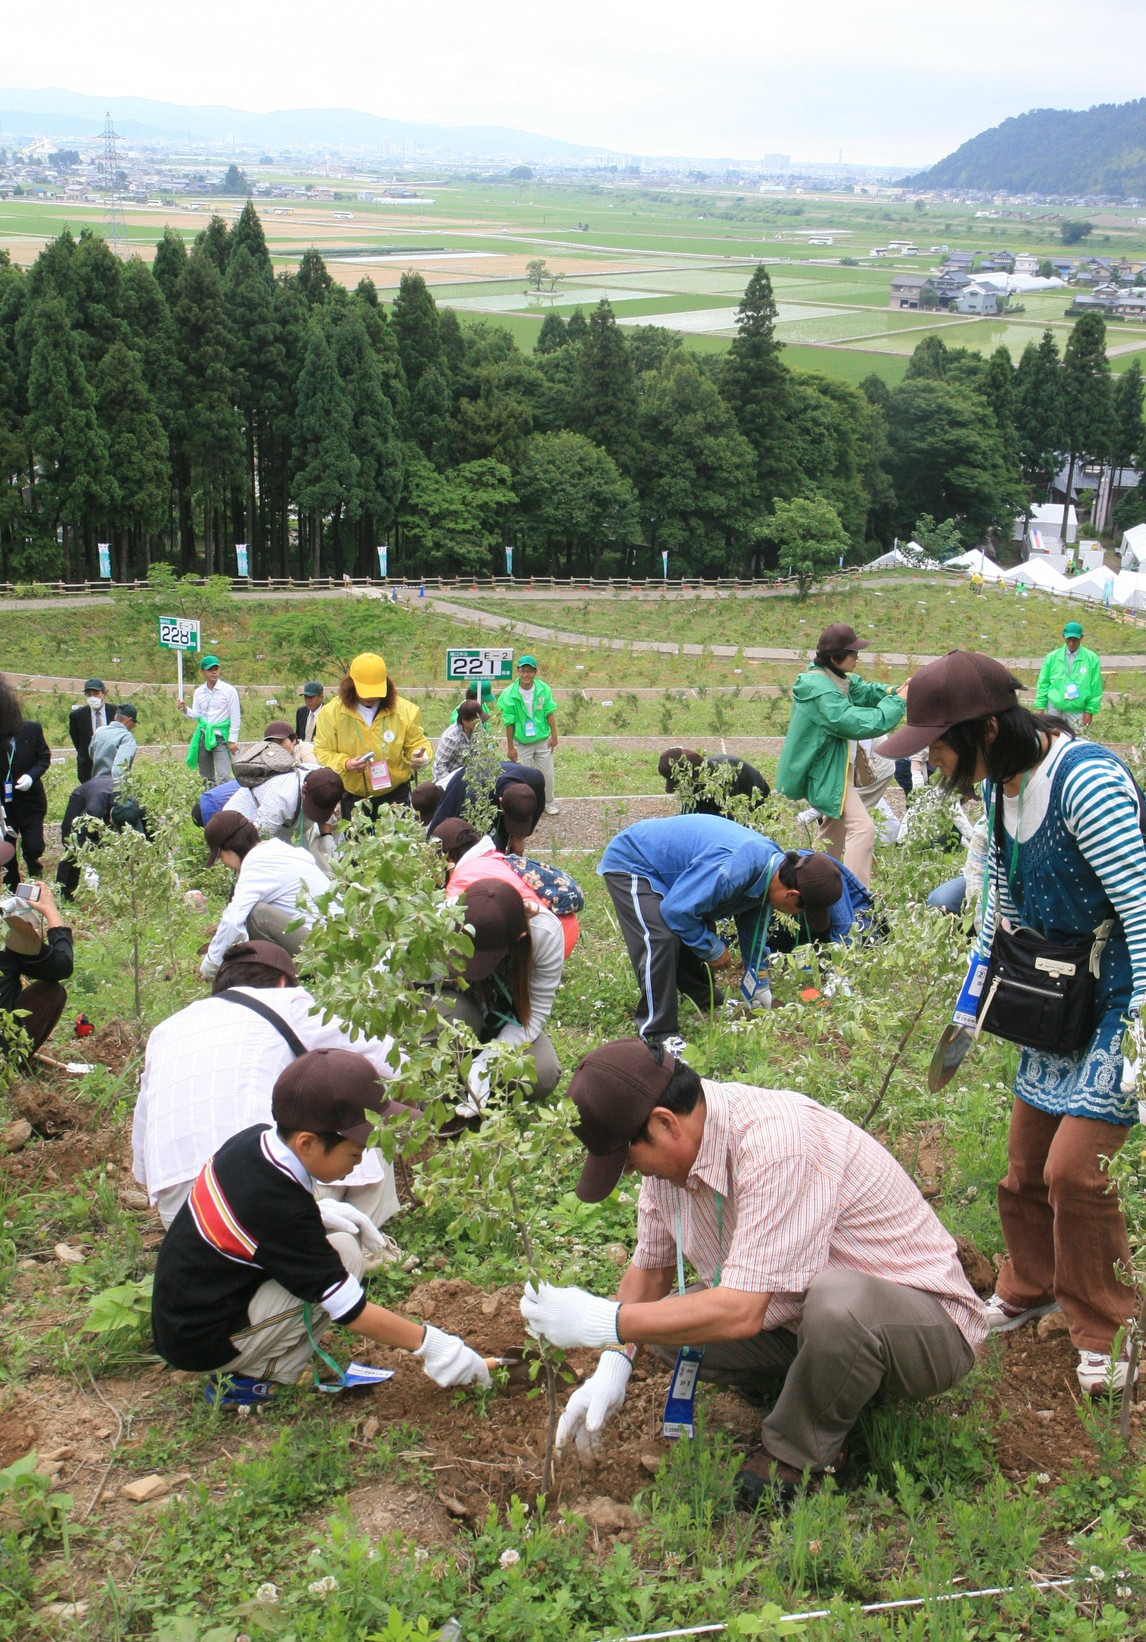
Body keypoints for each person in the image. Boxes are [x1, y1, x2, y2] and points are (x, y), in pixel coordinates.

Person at [519, 1039, 986, 1506]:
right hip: (802, 1316)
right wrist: (613, 1362)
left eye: (627, 1159)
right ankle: (824, 1380)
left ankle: (801, 1454)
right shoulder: (670, 1166)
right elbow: (650, 1274)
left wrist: (604, 1319)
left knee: (838, 1303)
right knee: (667, 1327)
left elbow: (740, 1312)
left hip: (925, 1327)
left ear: (665, 1123)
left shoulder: (777, 1146)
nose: (629, 1173)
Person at [876, 649, 1146, 1396]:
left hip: (1120, 994)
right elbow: (997, 901)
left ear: (987, 729)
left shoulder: (1084, 783)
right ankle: (1032, 1284)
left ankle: (1106, 1326)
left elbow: (1141, 904)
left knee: (1075, 1172)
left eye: (938, 744)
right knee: (1026, 1163)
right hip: (1056, 995)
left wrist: (1142, 1024)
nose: (930, 760)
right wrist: (971, 1002)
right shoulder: (1001, 786)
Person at [151, 1048, 490, 1406]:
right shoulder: (279, 1207)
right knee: (339, 1268)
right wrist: (434, 1345)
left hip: (188, 1311)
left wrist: (316, 1212)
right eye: (355, 1153)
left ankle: (256, 1357)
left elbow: (260, 1223)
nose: (360, 1161)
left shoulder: (254, 1142)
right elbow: (350, 1310)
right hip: (200, 1341)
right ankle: (248, 1380)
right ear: (308, 1143)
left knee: (343, 1247)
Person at [132, 940, 402, 1230]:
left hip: (181, 1211)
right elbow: (394, 1061)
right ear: (283, 982)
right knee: (366, 1109)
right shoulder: (287, 1003)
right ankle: (362, 1240)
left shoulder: (166, 1030)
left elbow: (142, 1148)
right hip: (261, 1192)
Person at [598, 814, 843, 1050]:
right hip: (635, 861)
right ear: (791, 894)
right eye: (801, 910)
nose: (798, 915)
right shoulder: (730, 870)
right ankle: (658, 1035)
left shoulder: (772, 870)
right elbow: (676, 911)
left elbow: (754, 927)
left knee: (696, 925)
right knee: (661, 937)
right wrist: (712, 949)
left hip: (673, 874)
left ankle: (708, 1002)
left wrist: (759, 979)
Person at [775, 623, 906, 888]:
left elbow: (864, 691)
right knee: (863, 828)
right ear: (835, 658)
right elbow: (852, 722)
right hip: (823, 771)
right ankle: (857, 896)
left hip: (835, 768)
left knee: (832, 833)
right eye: (853, 653)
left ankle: (812, 885)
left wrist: (894, 691)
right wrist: (898, 702)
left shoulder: (835, 678)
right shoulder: (820, 690)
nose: (857, 658)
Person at [435, 879, 564, 1109]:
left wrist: (488, 1061)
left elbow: (534, 1013)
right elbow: (393, 984)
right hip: (458, 1011)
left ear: (518, 939)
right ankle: (442, 1089)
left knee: (543, 1071)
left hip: (504, 1021)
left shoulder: (545, 934)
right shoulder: (438, 920)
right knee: (457, 1016)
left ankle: (475, 1090)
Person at [200, 812, 333, 978]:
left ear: (230, 849)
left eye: (221, 857)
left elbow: (233, 921)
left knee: (257, 916)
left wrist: (208, 968)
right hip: (337, 941)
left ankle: (289, 979)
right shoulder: (278, 849)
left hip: (326, 954)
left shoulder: (256, 862)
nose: (225, 864)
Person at [431, 818, 581, 959]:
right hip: (563, 929)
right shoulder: (497, 858)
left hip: (546, 941)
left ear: (448, 859)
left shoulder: (461, 880)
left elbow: (450, 928)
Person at [314, 652, 431, 821]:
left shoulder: (405, 710)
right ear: (351, 683)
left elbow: (416, 742)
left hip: (395, 795)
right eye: (364, 690)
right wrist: (345, 763)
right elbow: (323, 751)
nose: (369, 696)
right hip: (354, 797)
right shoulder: (331, 713)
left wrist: (420, 756)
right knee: (358, 838)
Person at [0, 853, 73, 1061]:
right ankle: (14, 1062)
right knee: (51, 992)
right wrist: (51, 912)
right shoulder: (7, 932)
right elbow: (62, 966)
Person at [414, 763, 545, 854]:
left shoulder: (535, 780)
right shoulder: (475, 798)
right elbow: (467, 838)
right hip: (464, 786)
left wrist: (518, 837)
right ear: (501, 802)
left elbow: (534, 813)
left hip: (492, 787)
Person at [56, 776, 148, 900]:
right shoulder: (93, 810)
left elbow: (151, 830)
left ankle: (127, 886)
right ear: (110, 820)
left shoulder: (137, 806)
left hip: (108, 793)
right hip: (83, 796)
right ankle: (64, 894)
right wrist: (87, 866)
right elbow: (75, 838)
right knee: (71, 847)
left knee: (129, 842)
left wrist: (167, 857)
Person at [1, 678, 51, 893]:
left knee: (33, 845)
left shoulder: (31, 729)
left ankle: (34, 872)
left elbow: (44, 757)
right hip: (5, 803)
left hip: (30, 801)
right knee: (7, 847)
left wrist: (31, 776)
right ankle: (12, 886)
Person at [497, 655, 560, 816]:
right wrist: (510, 747)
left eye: (530, 671)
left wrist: (554, 735)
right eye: (523, 671)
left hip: (542, 739)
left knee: (547, 774)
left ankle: (549, 803)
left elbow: (549, 712)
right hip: (521, 741)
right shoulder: (510, 693)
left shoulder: (543, 689)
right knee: (521, 777)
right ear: (518, 671)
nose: (526, 674)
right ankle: (523, 806)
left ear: (535, 672)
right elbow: (509, 722)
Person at [180, 656, 241, 785]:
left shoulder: (229, 691)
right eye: (210, 670)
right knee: (206, 777)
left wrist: (232, 740)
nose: (214, 672)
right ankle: (210, 796)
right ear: (203, 672)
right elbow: (198, 715)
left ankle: (226, 797)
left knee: (224, 776)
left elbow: (235, 716)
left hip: (220, 737)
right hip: (204, 735)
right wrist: (185, 709)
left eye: (216, 669)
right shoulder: (199, 692)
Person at [1034, 621, 1103, 734]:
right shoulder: (1051, 658)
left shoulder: (1092, 659)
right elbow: (1043, 683)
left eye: (1075, 640)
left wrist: (1090, 710)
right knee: (1052, 738)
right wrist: (1040, 706)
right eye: (1068, 639)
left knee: (1078, 737)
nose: (1071, 643)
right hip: (1055, 707)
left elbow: (1096, 687)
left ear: (1081, 637)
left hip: (1077, 709)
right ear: (1063, 637)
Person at [658, 748, 770, 817]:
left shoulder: (724, 778)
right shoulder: (694, 781)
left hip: (755, 805)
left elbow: (729, 816)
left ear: (691, 774)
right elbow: (688, 814)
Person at [433, 700, 486, 785]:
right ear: (465, 721)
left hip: (468, 778)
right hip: (449, 778)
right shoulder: (451, 737)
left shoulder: (479, 729)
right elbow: (439, 765)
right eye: (475, 720)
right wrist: (450, 785)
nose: (479, 722)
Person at [69, 679, 111, 784]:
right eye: (89, 694)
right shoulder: (77, 716)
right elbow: (76, 740)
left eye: (96, 694)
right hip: (87, 769)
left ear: (104, 693)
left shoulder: (115, 712)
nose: (93, 698)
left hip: (111, 766)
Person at [89, 703, 138, 782]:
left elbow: (91, 753)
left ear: (115, 716)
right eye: (134, 723)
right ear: (129, 720)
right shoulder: (127, 737)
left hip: (95, 782)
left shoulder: (99, 731)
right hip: (112, 784)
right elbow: (120, 767)